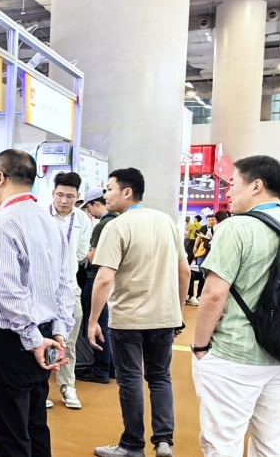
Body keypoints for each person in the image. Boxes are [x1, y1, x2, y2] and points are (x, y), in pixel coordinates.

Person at [192, 156, 280, 456]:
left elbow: (214, 294)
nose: (228, 191)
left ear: (256, 186)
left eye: (232, 183)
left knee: (223, 441)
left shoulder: (236, 227)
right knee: (271, 439)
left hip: (235, 352)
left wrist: (200, 347)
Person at [0, 149, 73, 457]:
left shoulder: (1, 223)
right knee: (34, 424)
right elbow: (63, 283)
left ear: (0, 178)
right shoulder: (49, 221)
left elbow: (9, 291)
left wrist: (33, 339)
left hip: (13, 338)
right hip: (43, 332)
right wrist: (58, 332)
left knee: (10, 433)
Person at [88, 168, 190, 457]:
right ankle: (163, 441)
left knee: (130, 380)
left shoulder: (117, 226)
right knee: (160, 377)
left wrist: (93, 320)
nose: (105, 195)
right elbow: (184, 271)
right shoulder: (166, 221)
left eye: (109, 189)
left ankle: (133, 445)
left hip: (128, 318)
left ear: (127, 192)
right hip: (164, 316)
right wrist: (178, 312)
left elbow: (104, 278)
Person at [47, 172, 92, 410]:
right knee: (41, 336)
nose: (64, 200)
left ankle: (67, 386)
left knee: (68, 340)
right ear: (53, 193)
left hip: (69, 287)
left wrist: (66, 266)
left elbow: (82, 252)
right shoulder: (41, 215)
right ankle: (40, 388)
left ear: (78, 196)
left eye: (70, 196)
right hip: (42, 287)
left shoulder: (82, 219)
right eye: (60, 195)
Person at [75, 188, 118, 385]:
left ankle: (100, 369)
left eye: (89, 207)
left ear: (96, 203)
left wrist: (77, 249)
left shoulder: (103, 225)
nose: (89, 212)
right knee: (108, 325)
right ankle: (110, 367)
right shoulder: (120, 221)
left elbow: (93, 257)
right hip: (115, 281)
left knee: (98, 324)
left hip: (97, 279)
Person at [188, 213, 220, 305]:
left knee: (210, 276)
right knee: (202, 273)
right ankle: (199, 295)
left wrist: (204, 237)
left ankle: (204, 294)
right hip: (203, 253)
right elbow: (198, 237)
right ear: (206, 221)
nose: (211, 221)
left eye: (212, 220)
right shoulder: (204, 228)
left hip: (213, 253)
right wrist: (195, 246)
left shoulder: (218, 228)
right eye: (209, 220)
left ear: (215, 220)